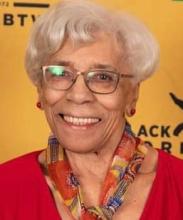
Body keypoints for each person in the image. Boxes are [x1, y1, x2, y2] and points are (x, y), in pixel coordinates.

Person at [0, 0, 183, 219]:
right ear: (40, 89)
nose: (78, 96)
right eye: (60, 73)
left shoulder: (178, 185)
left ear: (132, 94)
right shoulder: (5, 188)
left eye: (102, 77)